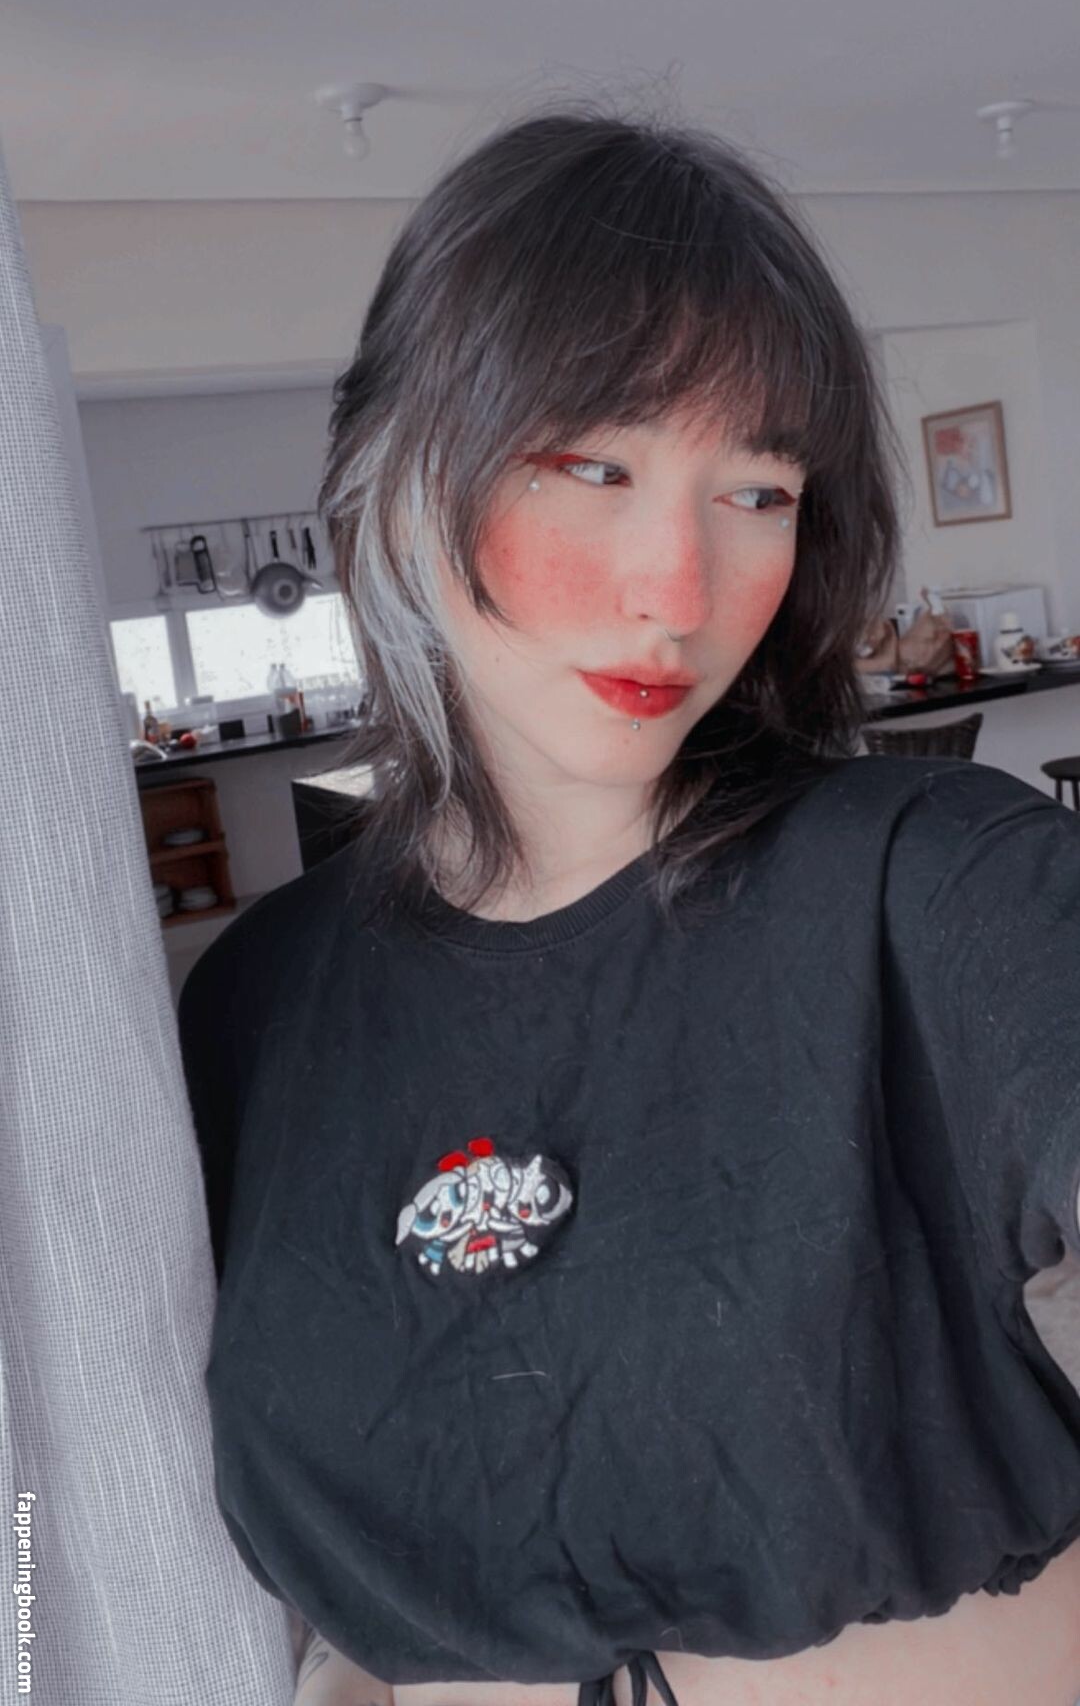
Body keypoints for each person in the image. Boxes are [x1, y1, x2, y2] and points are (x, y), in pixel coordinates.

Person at [178, 108, 1080, 1706]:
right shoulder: (254, 1008)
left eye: (760, 489)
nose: (681, 589)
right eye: (593, 465)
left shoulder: (947, 885)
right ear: (394, 476)